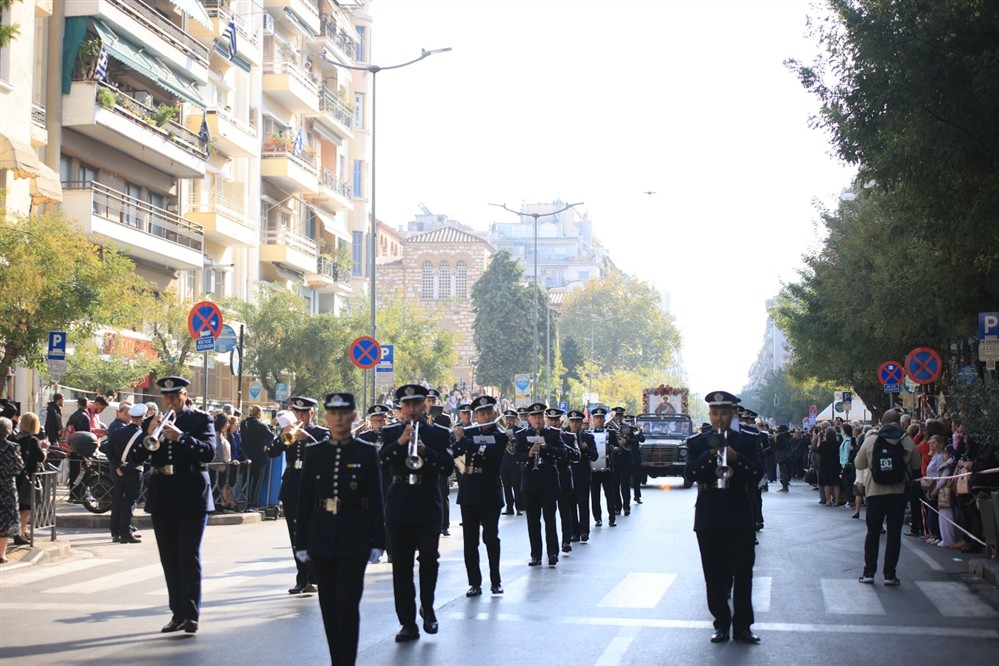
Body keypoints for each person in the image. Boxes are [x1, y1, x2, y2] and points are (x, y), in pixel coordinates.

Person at [295, 393, 385, 665]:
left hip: (354, 534)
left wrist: (378, 540)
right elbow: (305, 501)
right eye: (333, 413)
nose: (338, 418)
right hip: (322, 534)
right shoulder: (315, 452)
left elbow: (376, 497)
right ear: (326, 417)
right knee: (329, 608)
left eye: (344, 413)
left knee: (347, 605)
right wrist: (301, 541)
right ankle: (338, 659)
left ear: (354, 417)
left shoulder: (365, 452)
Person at [128, 376, 216, 633]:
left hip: (191, 494)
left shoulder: (200, 419)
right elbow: (136, 456)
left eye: (175, 397)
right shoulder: (151, 422)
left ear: (185, 395)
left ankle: (191, 614)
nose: (170, 402)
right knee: (169, 558)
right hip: (162, 493)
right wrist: (147, 432)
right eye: (166, 398)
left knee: (187, 556)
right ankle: (177, 613)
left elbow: (209, 453)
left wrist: (181, 437)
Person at [683, 391, 764, 645]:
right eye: (715, 413)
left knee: (743, 573)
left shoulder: (748, 440)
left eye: (724, 413)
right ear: (710, 414)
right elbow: (690, 474)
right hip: (709, 513)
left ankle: (743, 626)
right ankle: (721, 622)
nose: (719, 418)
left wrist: (736, 458)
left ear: (733, 414)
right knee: (713, 574)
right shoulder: (698, 441)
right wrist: (709, 455)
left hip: (739, 511)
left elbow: (758, 474)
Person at [380, 384, 455, 642]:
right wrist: (400, 443)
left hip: (427, 502)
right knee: (400, 567)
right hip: (399, 501)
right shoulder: (390, 432)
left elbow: (447, 467)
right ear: (401, 407)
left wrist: (427, 452)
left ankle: (428, 607)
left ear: (425, 404)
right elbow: (380, 462)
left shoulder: (439, 433)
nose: (412, 409)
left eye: (416, 404)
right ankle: (408, 623)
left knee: (430, 560)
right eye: (406, 405)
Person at [854, 408, 921, 586]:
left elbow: (858, 463)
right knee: (893, 535)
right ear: (899, 423)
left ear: (882, 421)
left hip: (875, 493)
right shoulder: (906, 441)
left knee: (873, 533)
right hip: (898, 494)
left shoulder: (872, 439)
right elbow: (916, 467)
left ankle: (868, 572)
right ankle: (890, 575)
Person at [270, 396, 326, 595]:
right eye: (297, 413)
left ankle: (315, 577)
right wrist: (281, 436)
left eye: (304, 413)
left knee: (312, 533)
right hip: (292, 485)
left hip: (312, 486)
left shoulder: (321, 433)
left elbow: (326, 453)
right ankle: (301, 578)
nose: (301, 417)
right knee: (295, 535)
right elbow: (271, 452)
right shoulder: (289, 431)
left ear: (312, 413)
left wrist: (307, 439)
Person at [452, 395, 506, 596]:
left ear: (493, 413)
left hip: (490, 491)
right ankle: (474, 582)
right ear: (476, 416)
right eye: (482, 413)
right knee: (470, 540)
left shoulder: (499, 435)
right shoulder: (469, 433)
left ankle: (496, 580)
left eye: (489, 412)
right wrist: (458, 441)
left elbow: (487, 452)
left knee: (491, 537)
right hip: (469, 490)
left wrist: (463, 441)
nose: (486, 416)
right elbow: (456, 455)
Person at [515, 402, 567, 567]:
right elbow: (517, 456)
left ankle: (552, 553)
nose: (537, 420)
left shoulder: (553, 434)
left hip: (548, 481)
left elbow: (562, 453)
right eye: (534, 417)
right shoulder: (523, 435)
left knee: (550, 519)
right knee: (532, 521)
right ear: (529, 418)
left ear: (544, 417)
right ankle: (535, 554)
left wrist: (546, 448)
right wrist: (528, 455)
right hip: (530, 482)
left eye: (539, 416)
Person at [107, 403, 147, 544]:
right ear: (142, 418)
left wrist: (118, 466)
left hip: (119, 472)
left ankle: (115, 531)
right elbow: (142, 457)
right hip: (134, 473)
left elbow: (109, 451)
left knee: (117, 501)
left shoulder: (118, 432)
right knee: (129, 502)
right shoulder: (141, 435)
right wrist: (126, 468)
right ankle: (126, 532)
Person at [14, 412, 45, 546]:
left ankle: (22, 531)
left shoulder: (15, 438)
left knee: (18, 505)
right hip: (28, 477)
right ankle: (21, 533)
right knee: (25, 506)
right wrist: (45, 449)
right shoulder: (32, 440)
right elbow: (40, 457)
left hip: (16, 476)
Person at [566, 410, 598, 542]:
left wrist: (586, 449)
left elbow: (595, 456)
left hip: (583, 475)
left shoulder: (588, 438)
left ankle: (584, 531)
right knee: (571, 505)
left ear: (581, 423)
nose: (574, 424)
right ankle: (574, 531)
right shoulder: (563, 436)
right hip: (569, 475)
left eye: (577, 421)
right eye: (572, 421)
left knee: (583, 504)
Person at [588, 407, 617, 527]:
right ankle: (597, 518)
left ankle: (612, 518)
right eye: (596, 418)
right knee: (595, 495)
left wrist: (614, 449)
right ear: (593, 420)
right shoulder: (588, 434)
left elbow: (617, 448)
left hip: (607, 468)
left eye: (600, 418)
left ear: (604, 419)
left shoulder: (611, 433)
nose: (599, 420)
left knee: (610, 494)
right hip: (593, 470)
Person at [0, 417, 24, 563]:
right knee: (6, 522)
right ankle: (1, 555)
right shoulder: (13, 447)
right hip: (7, 488)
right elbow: (19, 467)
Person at [239, 406, 271, 510]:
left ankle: (244, 500)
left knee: (246, 479)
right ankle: (253, 502)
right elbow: (271, 436)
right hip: (259, 457)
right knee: (257, 481)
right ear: (259, 414)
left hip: (246, 455)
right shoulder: (261, 426)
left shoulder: (243, 424)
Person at [66, 397, 91, 503]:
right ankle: (80, 494)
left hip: (72, 447)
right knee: (83, 472)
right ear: (87, 405)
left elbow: (68, 430)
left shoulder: (73, 416)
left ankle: (73, 494)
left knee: (73, 472)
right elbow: (87, 434)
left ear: (78, 404)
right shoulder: (85, 416)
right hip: (82, 449)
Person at [499, 409, 524, 515]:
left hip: (515, 462)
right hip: (504, 462)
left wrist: (513, 439)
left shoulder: (520, 430)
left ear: (515, 420)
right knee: (507, 486)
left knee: (516, 486)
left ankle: (519, 507)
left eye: (511, 419)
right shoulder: (501, 431)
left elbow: (522, 444)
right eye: (507, 419)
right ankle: (509, 507)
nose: (509, 421)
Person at [818, 427, 843, 507]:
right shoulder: (838, 444)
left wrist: (819, 440)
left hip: (825, 464)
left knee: (826, 483)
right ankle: (836, 500)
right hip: (835, 463)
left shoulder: (823, 444)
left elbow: (818, 451)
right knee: (836, 482)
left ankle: (828, 500)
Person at [773, 425, 791, 492]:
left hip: (782, 456)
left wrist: (776, 441)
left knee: (783, 472)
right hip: (787, 456)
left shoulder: (782, 438)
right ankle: (785, 485)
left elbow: (779, 447)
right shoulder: (788, 437)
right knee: (785, 471)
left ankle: (785, 486)